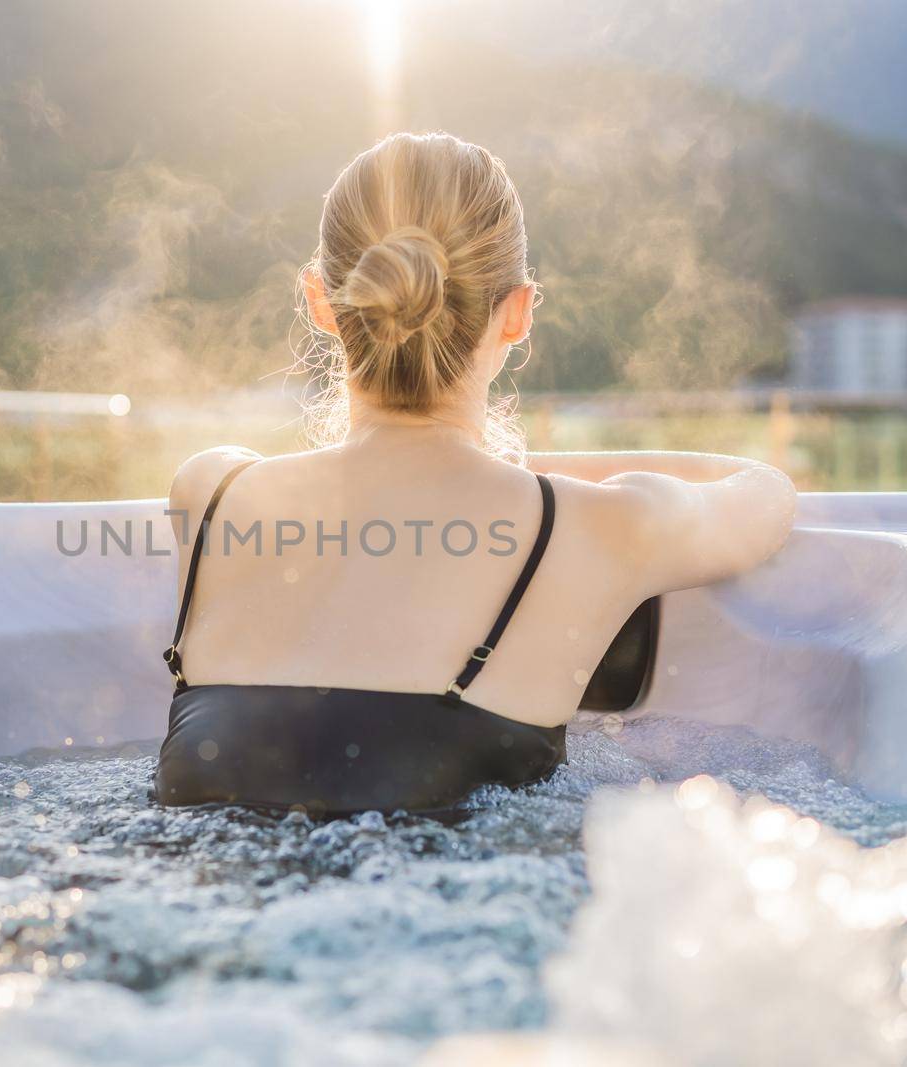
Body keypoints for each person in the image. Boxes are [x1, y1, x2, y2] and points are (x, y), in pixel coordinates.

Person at [155, 132, 795, 817]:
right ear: (518, 313)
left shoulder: (210, 493)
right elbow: (765, 494)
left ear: (321, 300)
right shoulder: (602, 526)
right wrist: (558, 479)